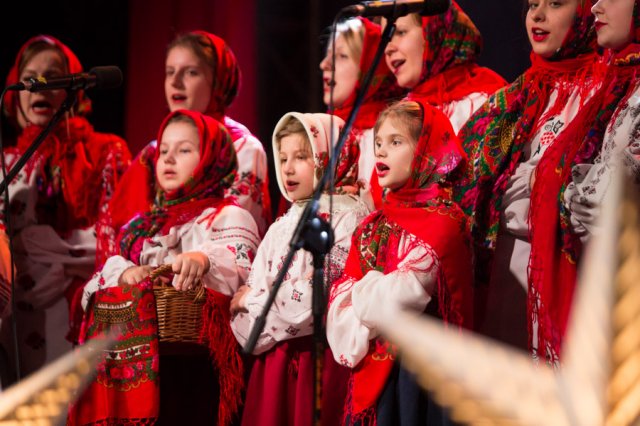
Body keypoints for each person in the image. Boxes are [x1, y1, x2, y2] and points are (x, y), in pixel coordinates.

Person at [70, 110, 260, 426]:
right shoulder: (141, 227)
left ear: (212, 159)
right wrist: (125, 274)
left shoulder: (228, 216)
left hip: (196, 367)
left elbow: (243, 273)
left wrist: (204, 261)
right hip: (144, 365)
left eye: (184, 150)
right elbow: (98, 280)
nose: (169, 159)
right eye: (164, 151)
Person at [455, 0, 600, 361]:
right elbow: (467, 184)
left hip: (571, 286)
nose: (537, 15)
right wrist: (535, 182)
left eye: (555, 3)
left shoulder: (606, 92)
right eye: (533, 4)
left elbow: (585, 200)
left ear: (588, 9)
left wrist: (526, 185)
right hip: (501, 282)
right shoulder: (513, 98)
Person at [326, 100, 473, 425]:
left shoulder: (444, 221)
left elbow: (400, 297)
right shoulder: (371, 225)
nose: (381, 151)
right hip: (372, 372)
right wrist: (371, 293)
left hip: (420, 378)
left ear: (425, 151)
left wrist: (362, 293)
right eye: (378, 142)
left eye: (396, 142)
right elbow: (337, 311)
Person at [0, 35, 131, 379]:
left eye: (53, 76)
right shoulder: (5, 163)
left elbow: (117, 238)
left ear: (73, 88)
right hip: (13, 313)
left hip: (77, 307)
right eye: (30, 77)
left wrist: (43, 249)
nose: (40, 85)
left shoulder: (106, 151)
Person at [230, 112, 370, 426]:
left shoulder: (349, 219)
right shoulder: (281, 227)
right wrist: (261, 303)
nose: (288, 168)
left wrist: (254, 300)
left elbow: (311, 300)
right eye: (282, 158)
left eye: (302, 157)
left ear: (329, 158)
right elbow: (243, 319)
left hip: (317, 362)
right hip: (274, 366)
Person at [527, 0, 639, 364]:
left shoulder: (608, 84)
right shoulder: (621, 82)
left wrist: (555, 187)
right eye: (531, 4)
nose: (596, 7)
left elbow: (605, 201)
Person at [101, 30, 270, 265]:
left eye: (191, 72)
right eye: (170, 72)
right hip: (149, 276)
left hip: (207, 273)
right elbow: (117, 232)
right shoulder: (151, 154)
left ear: (219, 81)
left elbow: (235, 237)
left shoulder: (241, 146)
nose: (175, 81)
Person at [383, 1, 506, 133]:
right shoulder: (400, 116)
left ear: (436, 31)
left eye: (401, 32)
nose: (388, 49)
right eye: (386, 38)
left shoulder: (486, 102)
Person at [320, 17, 404, 207]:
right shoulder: (320, 132)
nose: (324, 64)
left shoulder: (387, 136)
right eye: (328, 55)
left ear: (370, 66)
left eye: (341, 56)